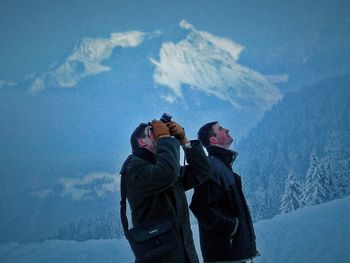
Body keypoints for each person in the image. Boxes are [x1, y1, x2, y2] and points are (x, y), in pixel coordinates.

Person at [121, 118, 211, 263]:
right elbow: (167, 173)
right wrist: (165, 138)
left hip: (182, 253)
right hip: (159, 255)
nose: (158, 132)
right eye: (152, 131)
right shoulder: (134, 169)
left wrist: (185, 141)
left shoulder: (165, 168)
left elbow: (202, 171)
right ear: (142, 142)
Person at [190, 121, 258, 263]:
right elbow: (200, 207)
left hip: (233, 254)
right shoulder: (211, 167)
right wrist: (232, 227)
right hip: (224, 256)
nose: (226, 129)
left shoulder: (223, 167)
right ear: (213, 139)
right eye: (220, 129)